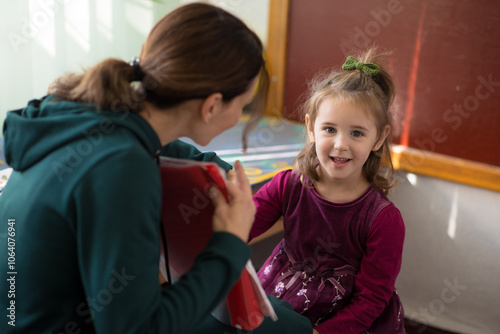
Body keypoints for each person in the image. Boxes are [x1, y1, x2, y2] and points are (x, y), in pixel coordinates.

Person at [0, 3, 313, 334]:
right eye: (243, 105)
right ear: (212, 105)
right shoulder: (122, 169)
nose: (241, 116)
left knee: (275, 316)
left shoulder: (83, 114)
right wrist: (230, 244)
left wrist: (219, 174)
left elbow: (161, 149)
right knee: (280, 327)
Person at [249, 48, 406, 333]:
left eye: (356, 133)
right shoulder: (288, 185)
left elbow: (371, 300)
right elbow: (240, 227)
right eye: (330, 129)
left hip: (347, 322)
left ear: (379, 138)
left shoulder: (383, 219)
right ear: (311, 128)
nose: (340, 144)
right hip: (284, 295)